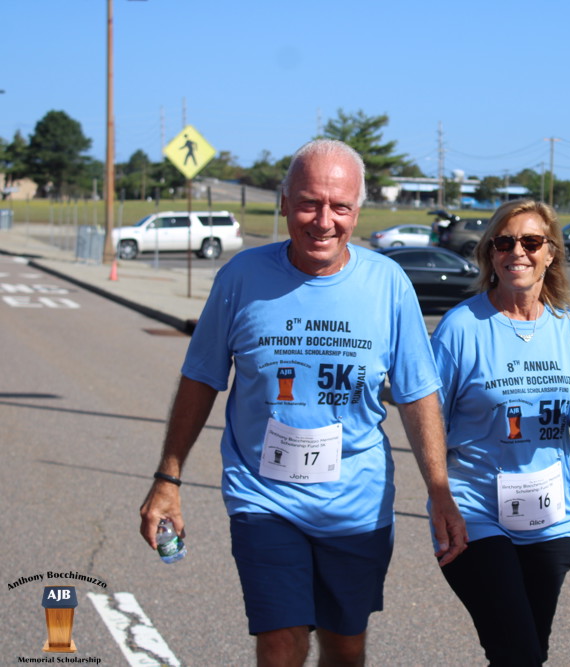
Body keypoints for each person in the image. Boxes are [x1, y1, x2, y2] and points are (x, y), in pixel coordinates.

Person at [139, 139, 466, 667]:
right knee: (280, 639)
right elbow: (201, 378)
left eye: (340, 207)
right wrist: (167, 478)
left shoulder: (387, 284)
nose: (324, 221)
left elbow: (417, 394)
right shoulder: (241, 277)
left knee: (344, 647)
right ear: (285, 203)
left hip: (355, 503)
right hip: (263, 497)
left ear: (357, 212)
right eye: (310, 204)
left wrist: (439, 490)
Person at [429, 199, 570, 665]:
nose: (517, 251)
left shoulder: (568, 328)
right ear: (491, 254)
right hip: (476, 513)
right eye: (504, 242)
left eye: (531, 241)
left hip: (548, 518)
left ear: (550, 253)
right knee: (518, 652)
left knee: (527, 654)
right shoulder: (462, 327)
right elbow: (429, 421)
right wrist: (439, 496)